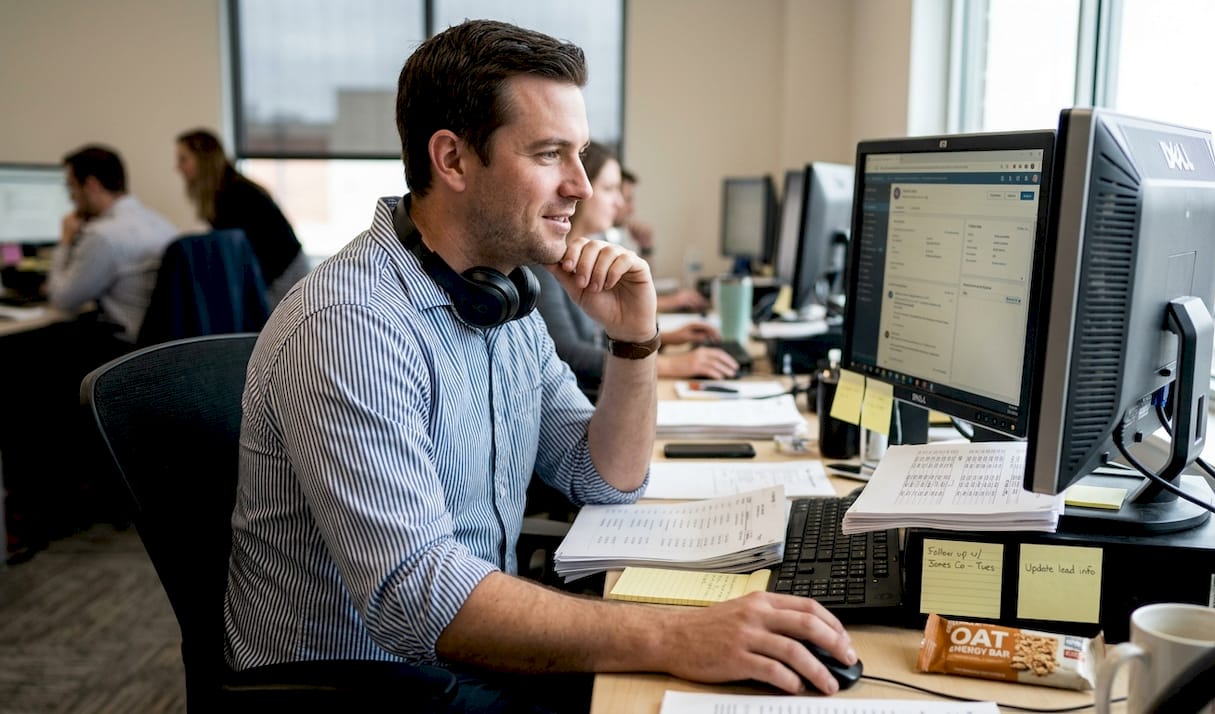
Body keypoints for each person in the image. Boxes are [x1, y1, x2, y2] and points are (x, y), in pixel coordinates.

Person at [223, 19, 856, 712]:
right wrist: (677, 635)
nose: (581, 187)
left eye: (580, 155)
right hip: (378, 686)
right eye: (551, 154)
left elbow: (604, 478)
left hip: (465, 656)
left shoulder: (503, 299)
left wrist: (634, 341)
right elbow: (419, 600)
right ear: (454, 160)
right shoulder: (353, 325)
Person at [531, 142, 740, 391]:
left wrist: (654, 340)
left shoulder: (581, 255)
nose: (620, 203)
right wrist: (671, 365)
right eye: (609, 189)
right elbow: (567, 352)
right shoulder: (543, 263)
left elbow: (597, 336)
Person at [48, 145, 177, 344]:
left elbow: (63, 300)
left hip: (122, 351)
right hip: (161, 348)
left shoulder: (102, 235)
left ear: (91, 185)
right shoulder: (162, 223)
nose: (71, 198)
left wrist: (65, 240)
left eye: (72, 187)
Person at [174, 129, 308, 307]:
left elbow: (261, 256)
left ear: (203, 159)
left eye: (183, 159)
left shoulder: (235, 195)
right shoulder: (225, 191)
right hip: (278, 273)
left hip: (283, 274)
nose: (178, 167)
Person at [609, 167, 710, 313]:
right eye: (628, 200)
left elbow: (639, 289)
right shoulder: (595, 241)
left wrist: (646, 247)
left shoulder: (613, 237)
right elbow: (620, 303)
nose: (632, 209)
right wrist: (672, 302)